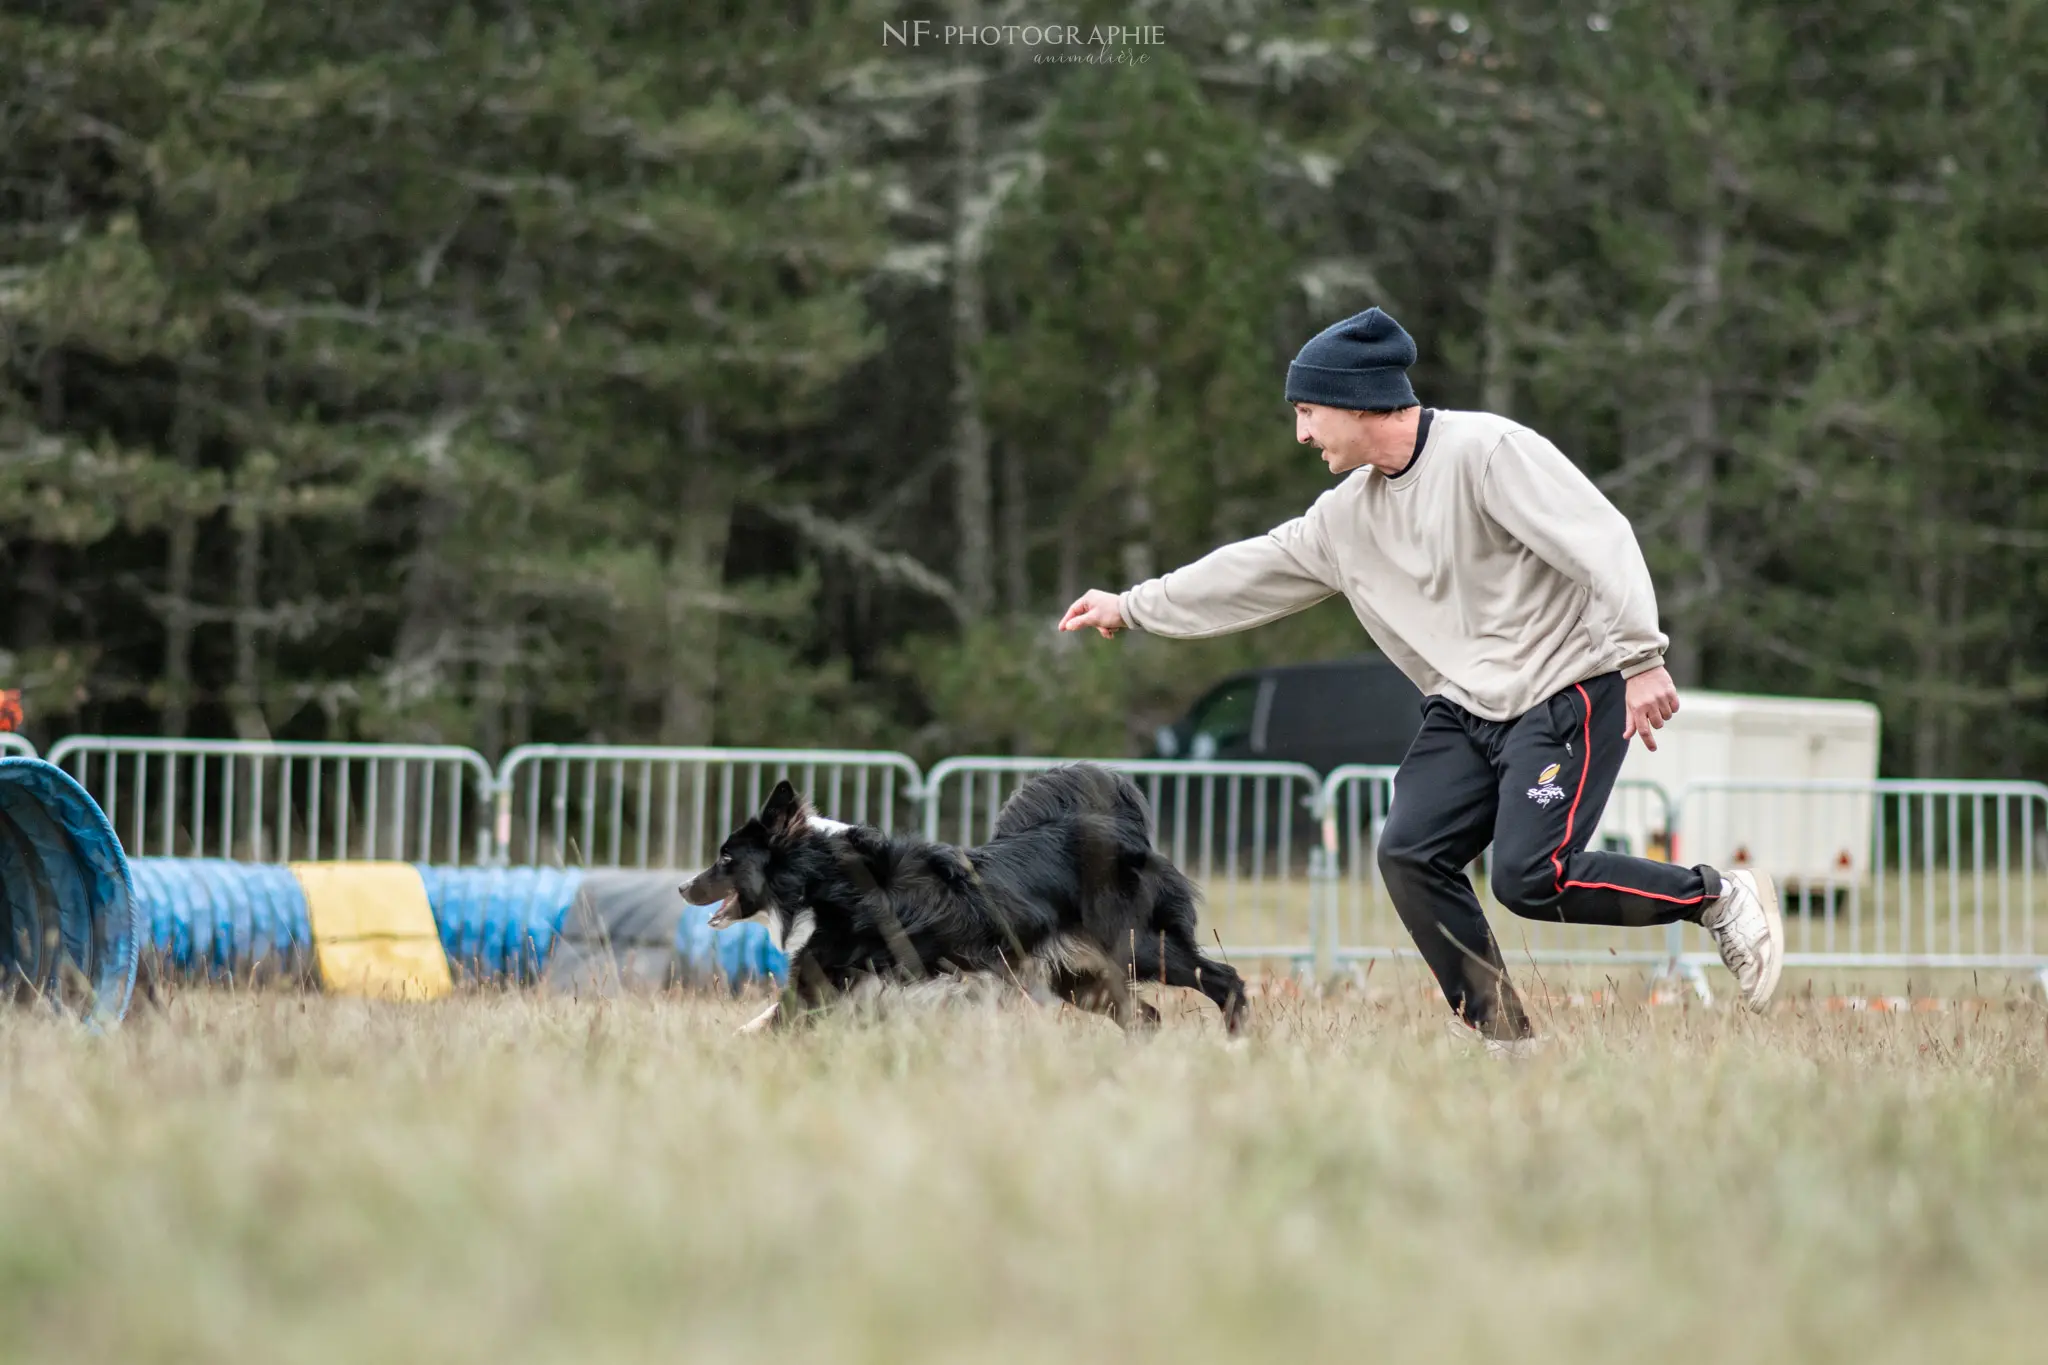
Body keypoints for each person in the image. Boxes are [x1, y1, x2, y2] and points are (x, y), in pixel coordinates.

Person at [1058, 306, 1784, 1044]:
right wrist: (1133, 605)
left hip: (1564, 685)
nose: (1301, 433)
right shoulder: (1345, 518)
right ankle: (1507, 1040)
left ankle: (1716, 897)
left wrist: (1642, 656)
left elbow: (1602, 540)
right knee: (1409, 850)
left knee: (1532, 878)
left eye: (1308, 411)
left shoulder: (1488, 452)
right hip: (1467, 706)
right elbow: (1254, 567)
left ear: (1356, 397)